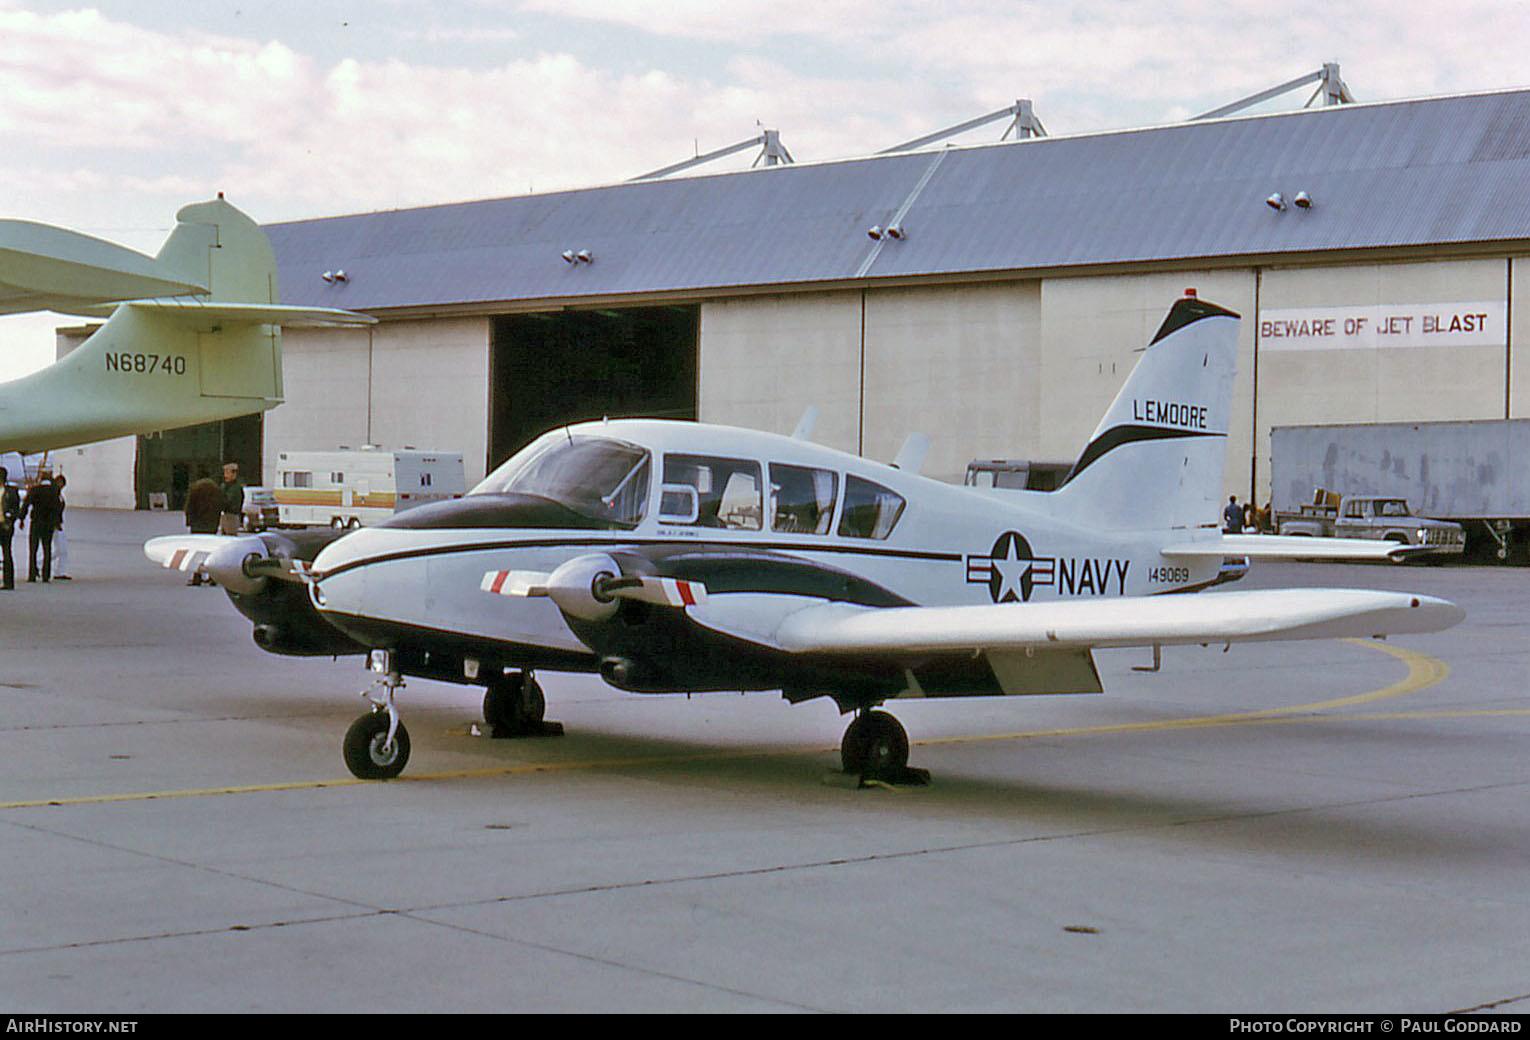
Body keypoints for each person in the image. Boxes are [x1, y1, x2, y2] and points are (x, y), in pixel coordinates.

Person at [20, 474, 62, 582]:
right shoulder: (54, 491)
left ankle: (32, 575)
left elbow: (26, 504)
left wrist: (21, 518)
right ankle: (46, 575)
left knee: (33, 549)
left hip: (36, 522)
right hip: (49, 523)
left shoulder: (35, 490)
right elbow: (58, 507)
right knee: (47, 548)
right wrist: (58, 522)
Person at [184, 469, 223, 586]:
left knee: (197, 550)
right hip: (212, 523)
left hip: (198, 524)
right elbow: (221, 504)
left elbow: (189, 506)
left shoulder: (195, 487)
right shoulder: (216, 488)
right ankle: (212, 577)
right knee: (211, 550)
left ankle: (197, 576)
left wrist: (189, 522)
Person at [50, 473, 70, 580]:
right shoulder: (54, 494)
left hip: (58, 523)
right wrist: (56, 523)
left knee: (61, 549)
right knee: (61, 549)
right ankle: (40, 564)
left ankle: (59, 570)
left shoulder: (58, 494)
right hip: (56, 525)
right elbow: (54, 510)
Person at [0, 467, 17, 590]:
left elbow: (15, 509)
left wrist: (10, 520)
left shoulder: (11, 492)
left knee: (7, 552)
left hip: (5, 525)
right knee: (7, 552)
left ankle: (8, 581)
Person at [219, 462, 245, 537]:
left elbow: (229, 501)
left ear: (234, 474)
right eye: (224, 472)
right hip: (225, 515)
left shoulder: (235, 488)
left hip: (231, 516)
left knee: (230, 536)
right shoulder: (225, 486)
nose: (225, 475)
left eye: (227, 473)